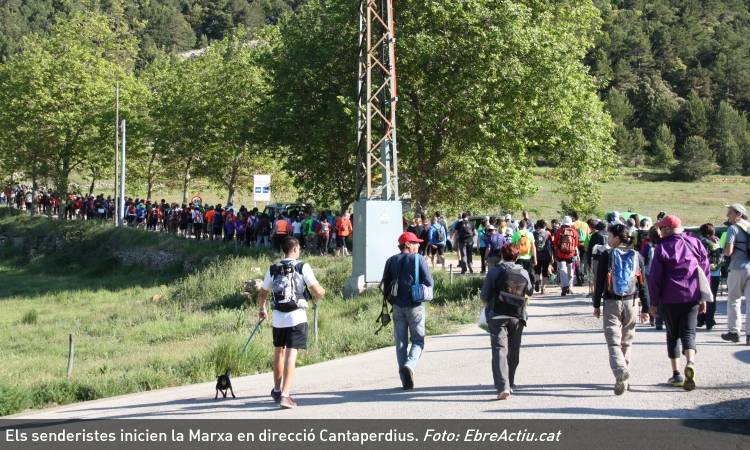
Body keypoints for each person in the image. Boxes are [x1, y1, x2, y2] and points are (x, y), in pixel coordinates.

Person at [258, 237, 325, 409]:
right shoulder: (302, 266)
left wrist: (262, 309)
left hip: (278, 318)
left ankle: (277, 389)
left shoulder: (273, 268)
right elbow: (317, 290)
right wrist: (320, 294)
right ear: (295, 249)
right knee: (291, 355)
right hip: (297, 317)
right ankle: (286, 396)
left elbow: (263, 292)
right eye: (299, 248)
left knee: (278, 352)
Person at [648, 215, 709, 391]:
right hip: (692, 296)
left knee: (672, 335)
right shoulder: (695, 243)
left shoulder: (662, 247)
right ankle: (690, 363)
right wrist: (703, 297)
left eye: (661, 228)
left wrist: (653, 302)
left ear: (667, 229)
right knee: (689, 334)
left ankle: (676, 375)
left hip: (669, 298)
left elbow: (655, 278)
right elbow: (704, 271)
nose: (660, 231)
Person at [592, 223, 650, 395]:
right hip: (632, 302)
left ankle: (620, 372)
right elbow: (642, 283)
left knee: (613, 341)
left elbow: (600, 282)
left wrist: (596, 305)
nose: (608, 239)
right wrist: (645, 308)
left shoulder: (607, 254)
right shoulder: (637, 256)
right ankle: (626, 379)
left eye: (610, 236)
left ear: (617, 238)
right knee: (627, 341)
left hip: (612, 302)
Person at [380, 232, 434, 390]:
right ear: (408, 245)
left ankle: (404, 378)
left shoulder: (391, 261)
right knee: (418, 340)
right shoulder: (418, 259)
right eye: (416, 243)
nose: (419, 245)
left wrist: (393, 301)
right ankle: (409, 366)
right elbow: (429, 282)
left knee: (401, 343)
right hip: (415, 306)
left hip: (397, 307)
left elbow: (385, 285)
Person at [480, 244, 533, 400]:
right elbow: (529, 291)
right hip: (517, 316)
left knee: (499, 350)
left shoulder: (494, 271)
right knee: (514, 350)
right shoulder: (523, 271)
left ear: (502, 255)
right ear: (516, 257)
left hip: (497, 315)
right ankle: (511, 382)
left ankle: (503, 387)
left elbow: (484, 296)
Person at [721, 203, 750, 345]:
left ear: (739, 214)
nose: (727, 215)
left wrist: (724, 248)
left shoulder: (733, 228)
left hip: (738, 267)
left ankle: (734, 332)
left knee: (734, 300)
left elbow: (728, 252)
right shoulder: (749, 226)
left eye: (730, 213)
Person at [698, 223, 722, 330]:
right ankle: (710, 320)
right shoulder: (718, 241)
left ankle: (701, 318)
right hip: (716, 273)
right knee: (712, 298)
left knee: (701, 296)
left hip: (704, 273)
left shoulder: (703, 242)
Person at [554, 216, 579, 296]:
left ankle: (564, 287)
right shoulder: (574, 232)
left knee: (562, 270)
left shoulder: (559, 231)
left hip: (560, 254)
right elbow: (575, 244)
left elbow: (555, 242)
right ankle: (570, 287)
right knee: (570, 271)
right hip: (571, 254)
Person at [512, 219, 537, 290]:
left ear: (519, 226)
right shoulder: (530, 234)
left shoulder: (516, 234)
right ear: (526, 226)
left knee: (519, 274)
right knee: (529, 273)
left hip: (518, 258)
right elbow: (533, 247)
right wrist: (535, 258)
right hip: (528, 258)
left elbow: (513, 247)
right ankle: (530, 287)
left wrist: (512, 259)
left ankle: (521, 289)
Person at [532, 220, 553, 294]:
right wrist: (552, 256)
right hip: (546, 255)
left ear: (537, 225)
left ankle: (537, 281)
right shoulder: (548, 233)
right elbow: (550, 245)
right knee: (544, 272)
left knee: (537, 271)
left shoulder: (534, 233)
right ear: (544, 225)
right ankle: (543, 288)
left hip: (537, 255)